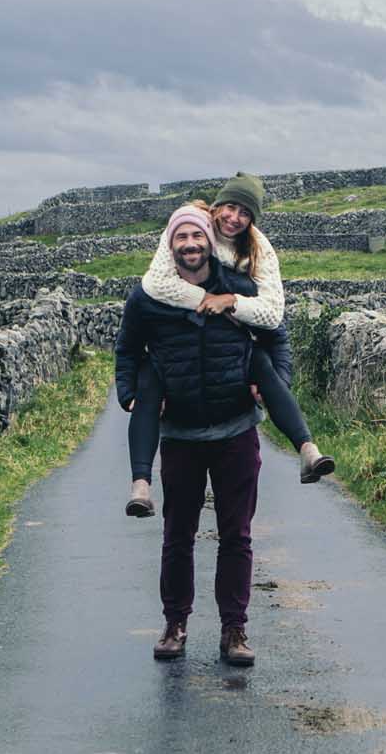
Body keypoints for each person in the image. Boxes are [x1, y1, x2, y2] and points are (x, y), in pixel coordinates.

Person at [114, 204, 283, 665]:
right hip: (182, 434)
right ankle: (175, 624)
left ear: (211, 241)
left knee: (236, 535)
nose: (190, 245)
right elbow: (127, 348)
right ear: (169, 245)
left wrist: (274, 382)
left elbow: (274, 335)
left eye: (197, 237)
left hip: (236, 429)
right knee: (177, 534)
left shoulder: (239, 289)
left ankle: (235, 631)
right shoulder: (148, 297)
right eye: (180, 238)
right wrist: (129, 394)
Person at [124, 171, 332, 517]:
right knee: (149, 376)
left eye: (245, 213)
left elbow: (272, 318)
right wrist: (208, 299)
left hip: (232, 360)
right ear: (216, 206)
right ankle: (140, 485)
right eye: (230, 207)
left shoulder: (258, 251)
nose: (235, 218)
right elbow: (156, 284)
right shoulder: (186, 225)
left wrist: (231, 301)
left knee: (261, 362)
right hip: (179, 367)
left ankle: (307, 449)